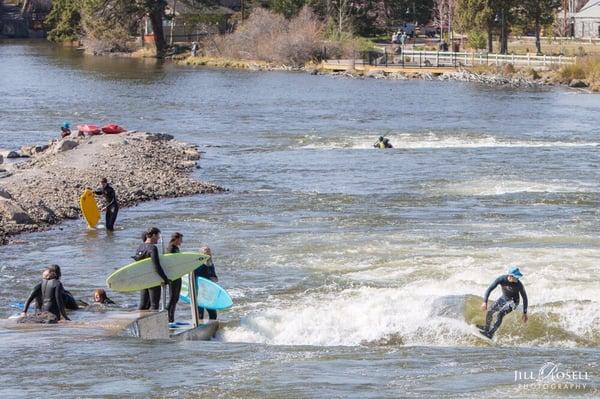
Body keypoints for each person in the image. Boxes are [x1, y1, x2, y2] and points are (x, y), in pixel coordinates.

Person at [478, 266, 528, 339]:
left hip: (514, 302)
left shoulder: (519, 285)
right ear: (510, 276)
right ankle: (486, 328)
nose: (517, 279)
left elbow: (525, 298)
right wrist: (485, 302)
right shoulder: (501, 279)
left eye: (518, 277)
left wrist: (524, 313)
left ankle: (490, 334)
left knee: (500, 314)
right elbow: (489, 289)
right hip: (503, 298)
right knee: (490, 311)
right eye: (516, 277)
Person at [134, 227, 170, 311]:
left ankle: (139, 321)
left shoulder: (140, 247)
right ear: (153, 235)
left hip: (143, 279)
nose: (158, 238)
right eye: (158, 236)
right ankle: (152, 323)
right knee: (154, 305)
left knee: (143, 305)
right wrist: (165, 279)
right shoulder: (152, 248)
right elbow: (156, 266)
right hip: (153, 279)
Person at [194, 246, 219, 320]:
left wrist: (214, 278)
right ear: (201, 253)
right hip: (199, 293)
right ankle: (198, 329)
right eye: (206, 251)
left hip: (208, 293)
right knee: (200, 315)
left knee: (213, 315)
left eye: (209, 251)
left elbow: (215, 278)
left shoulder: (211, 264)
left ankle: (211, 329)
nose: (208, 253)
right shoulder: (197, 264)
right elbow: (194, 277)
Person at [166, 232, 183, 323]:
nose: (182, 241)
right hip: (172, 277)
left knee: (176, 298)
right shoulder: (170, 248)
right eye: (180, 239)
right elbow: (170, 263)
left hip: (177, 275)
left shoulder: (176, 248)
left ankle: (171, 318)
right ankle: (167, 317)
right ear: (176, 239)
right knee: (173, 298)